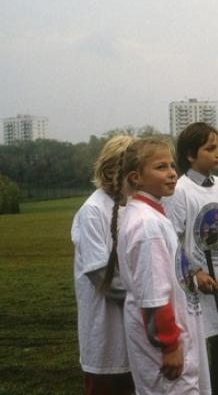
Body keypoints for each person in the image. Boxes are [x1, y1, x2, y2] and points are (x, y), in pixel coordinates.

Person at [104, 137, 211, 395]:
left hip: (165, 336)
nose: (172, 173)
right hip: (162, 344)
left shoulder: (150, 215)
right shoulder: (147, 225)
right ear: (136, 177)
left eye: (172, 166)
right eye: (161, 167)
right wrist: (170, 345)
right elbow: (154, 296)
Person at [165, 122, 218, 395]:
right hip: (199, 294)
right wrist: (195, 273)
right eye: (210, 148)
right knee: (207, 368)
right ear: (189, 155)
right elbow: (170, 242)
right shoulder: (179, 191)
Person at [71, 135, 136, 395]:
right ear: (112, 170)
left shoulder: (133, 207)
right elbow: (102, 276)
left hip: (136, 328)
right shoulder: (93, 211)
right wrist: (146, 302)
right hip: (105, 330)